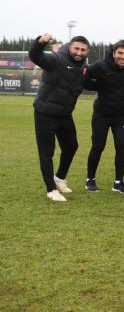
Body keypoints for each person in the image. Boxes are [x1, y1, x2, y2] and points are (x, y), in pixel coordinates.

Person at [28, 32, 90, 201]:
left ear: (87, 51)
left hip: (64, 114)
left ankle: (60, 178)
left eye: (83, 50)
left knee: (71, 146)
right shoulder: (56, 60)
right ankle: (51, 190)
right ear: (69, 47)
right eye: (76, 48)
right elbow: (34, 55)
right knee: (47, 151)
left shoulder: (84, 68)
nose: (79, 52)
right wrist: (41, 41)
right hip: (45, 113)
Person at [84, 40, 124, 193]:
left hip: (122, 116)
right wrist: (96, 85)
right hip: (102, 114)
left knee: (121, 146)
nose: (123, 57)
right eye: (120, 53)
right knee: (98, 146)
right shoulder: (100, 66)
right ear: (113, 53)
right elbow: (84, 75)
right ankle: (90, 180)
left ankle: (118, 183)